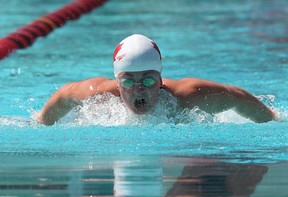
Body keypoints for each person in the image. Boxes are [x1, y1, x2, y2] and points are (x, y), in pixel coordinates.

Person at [37, 34, 277, 125]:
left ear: (161, 80)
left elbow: (237, 97)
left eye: (149, 81)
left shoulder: (189, 96)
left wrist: (273, 120)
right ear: (117, 82)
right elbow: (63, 95)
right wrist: (41, 123)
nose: (139, 89)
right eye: (128, 82)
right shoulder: (97, 94)